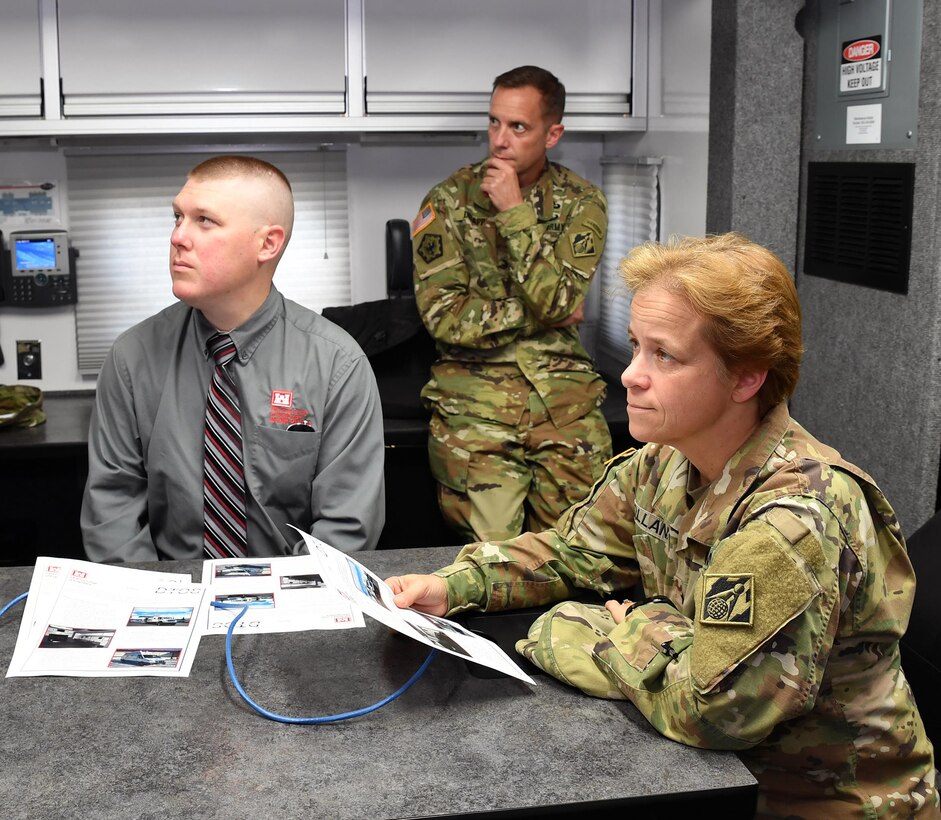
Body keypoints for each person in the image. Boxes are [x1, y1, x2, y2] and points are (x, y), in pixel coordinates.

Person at [388, 232, 939, 818]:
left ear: (746, 378)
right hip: (719, 783)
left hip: (825, 803)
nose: (630, 375)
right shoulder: (670, 458)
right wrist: (455, 586)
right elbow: (576, 552)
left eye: (665, 356)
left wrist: (625, 627)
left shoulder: (794, 518)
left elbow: (715, 710)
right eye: (635, 348)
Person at [81, 155, 385, 561]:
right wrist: (159, 607)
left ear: (267, 244)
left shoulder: (336, 364)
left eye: (204, 220)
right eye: (177, 217)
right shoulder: (132, 357)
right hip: (170, 598)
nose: (178, 237)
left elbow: (347, 524)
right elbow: (112, 510)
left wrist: (289, 607)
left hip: (297, 598)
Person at [411, 64, 612, 543]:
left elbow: (560, 296)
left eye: (518, 127)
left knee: (582, 549)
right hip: (475, 405)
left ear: (552, 134)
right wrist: (543, 314)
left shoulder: (583, 203)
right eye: (494, 122)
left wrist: (514, 212)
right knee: (496, 561)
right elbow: (444, 318)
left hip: (563, 399)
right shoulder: (447, 202)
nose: (500, 140)